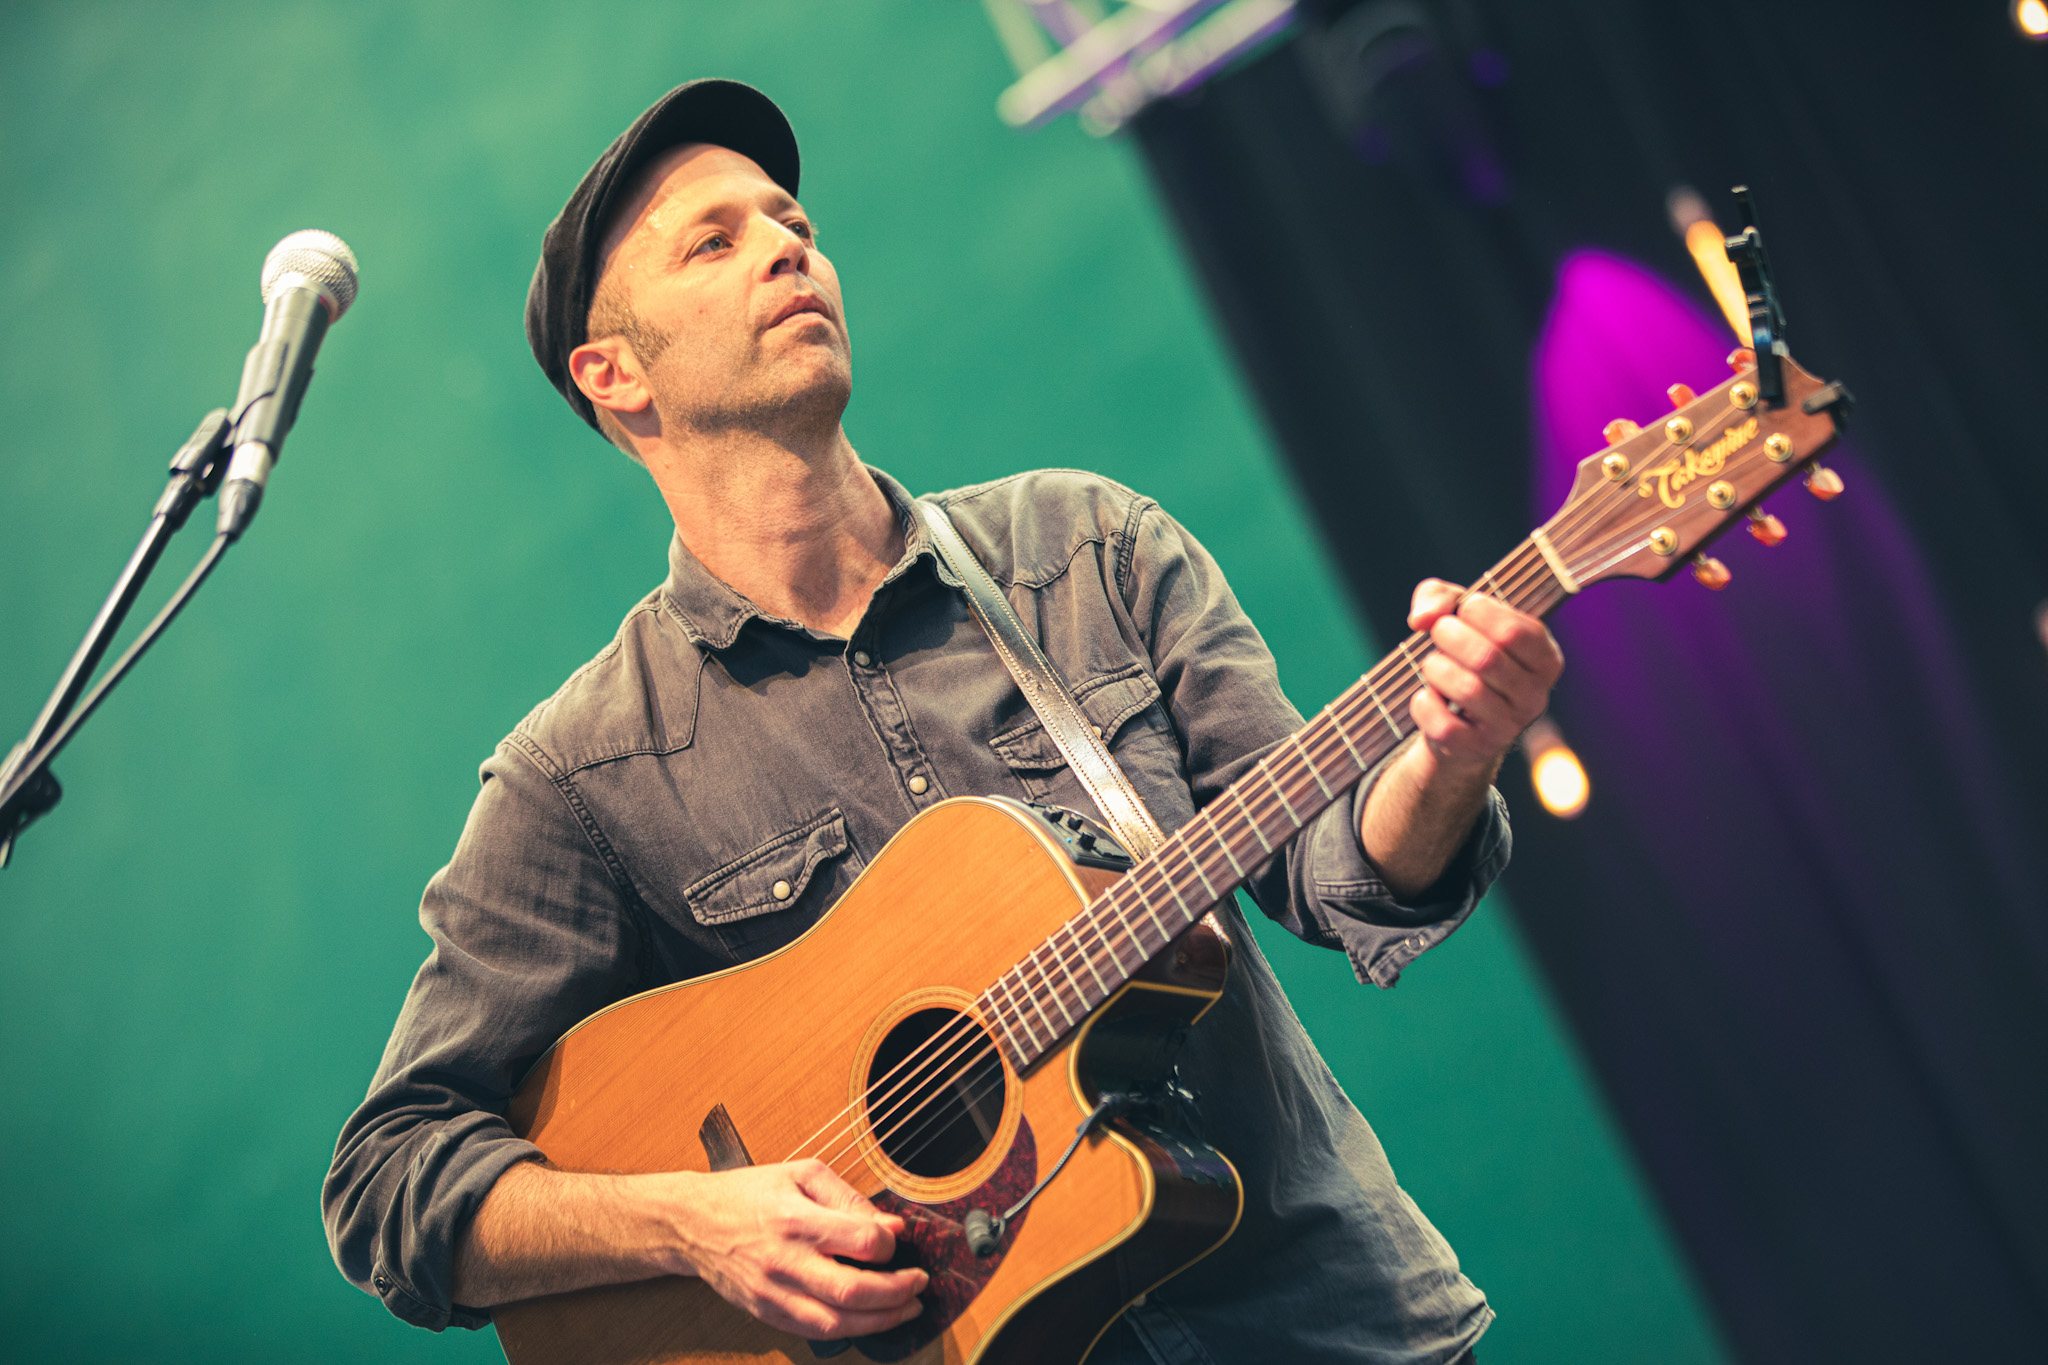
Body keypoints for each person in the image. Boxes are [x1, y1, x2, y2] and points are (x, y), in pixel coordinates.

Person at [323, 79, 1562, 1364]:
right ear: (615, 374)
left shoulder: (1084, 548)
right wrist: (694, 1226)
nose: (784, 248)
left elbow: (1334, 873)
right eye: (714, 242)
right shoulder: (582, 777)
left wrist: (1449, 754)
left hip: (1328, 1329)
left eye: (791, 222)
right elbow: (387, 1182)